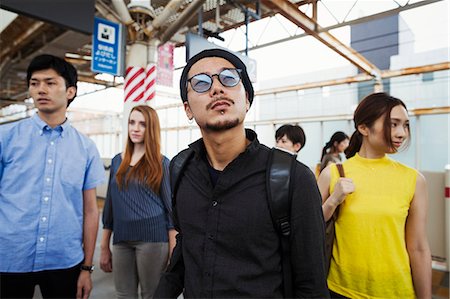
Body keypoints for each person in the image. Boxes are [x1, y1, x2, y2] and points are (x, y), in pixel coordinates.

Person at [154, 48, 329, 298]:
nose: (216, 88)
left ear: (246, 99)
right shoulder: (180, 169)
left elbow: (311, 286)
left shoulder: (292, 178)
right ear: (188, 109)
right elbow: (187, 245)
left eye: (228, 78)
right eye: (201, 83)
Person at [0, 54, 105, 299]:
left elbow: (90, 211)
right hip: (10, 257)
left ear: (70, 91)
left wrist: (87, 268)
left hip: (64, 259)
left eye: (50, 82)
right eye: (34, 83)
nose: (40, 89)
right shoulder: (6, 138)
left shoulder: (86, 148)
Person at [317, 92, 431, 298]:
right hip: (340, 290)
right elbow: (307, 228)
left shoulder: (414, 180)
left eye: (405, 125)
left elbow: (419, 248)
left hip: (397, 291)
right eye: (393, 124)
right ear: (363, 128)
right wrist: (333, 201)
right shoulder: (333, 173)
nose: (402, 133)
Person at [100, 105, 176, 299]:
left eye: (142, 124)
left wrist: (174, 250)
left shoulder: (161, 163)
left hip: (152, 240)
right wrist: (103, 246)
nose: (135, 128)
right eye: (132, 122)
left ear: (151, 129)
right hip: (121, 240)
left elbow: (171, 211)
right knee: (124, 294)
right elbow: (109, 206)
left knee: (151, 295)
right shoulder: (118, 161)